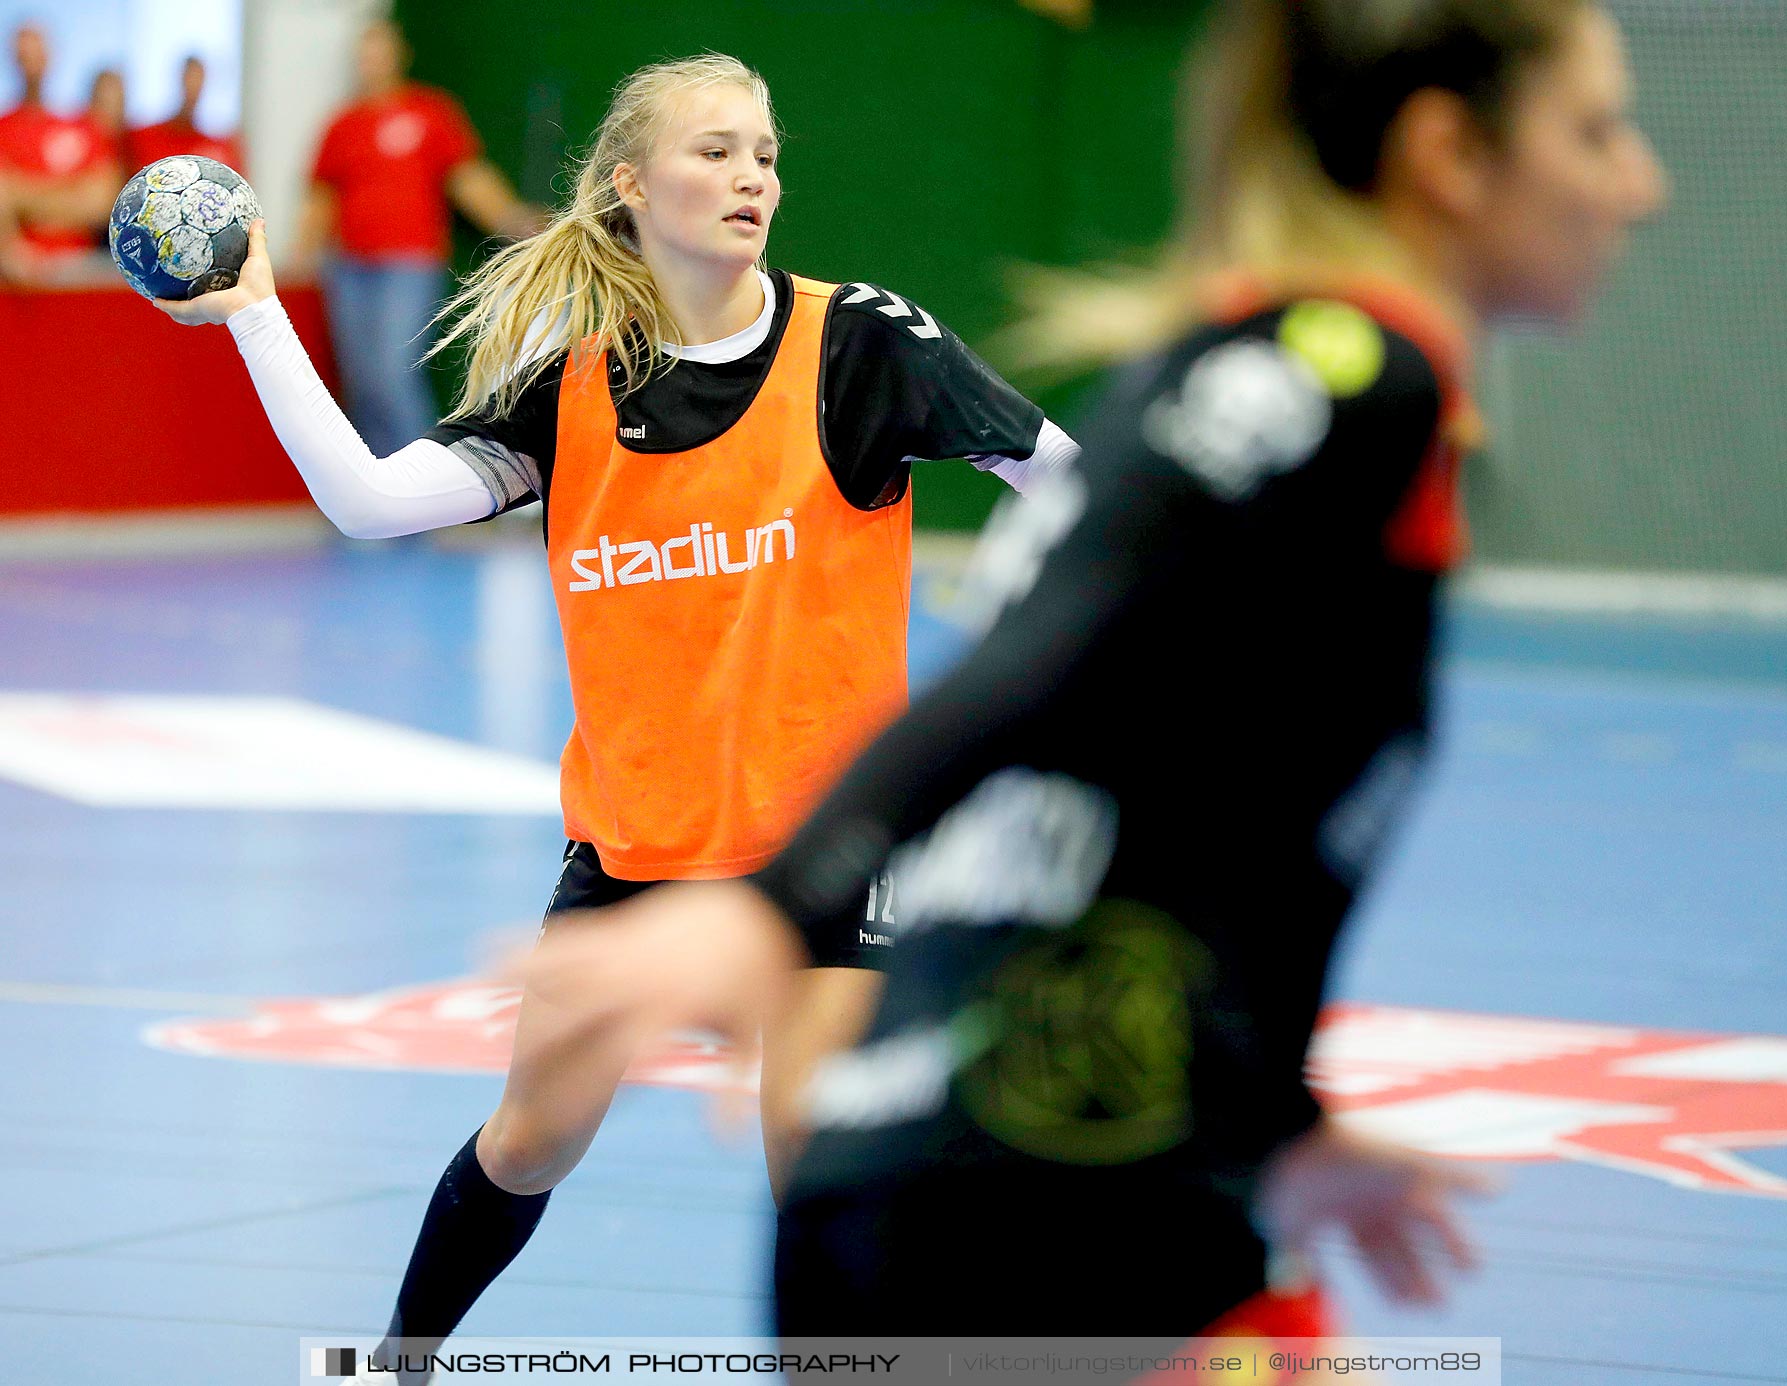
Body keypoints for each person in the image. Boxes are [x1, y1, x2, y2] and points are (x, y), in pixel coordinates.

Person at [511, 0, 1667, 1341]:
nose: (1640, 184)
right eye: (1594, 131)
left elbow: (1188, 821)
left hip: (1085, 1153)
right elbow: (1033, 662)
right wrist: (769, 906)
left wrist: (1278, 1117)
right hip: (1024, 1192)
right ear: (1447, 155)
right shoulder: (1337, 382)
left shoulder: (1283, 380)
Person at [151, 51, 1079, 1383]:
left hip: (830, 850)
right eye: (717, 150)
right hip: (639, 846)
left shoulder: (863, 342)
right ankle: (400, 1364)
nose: (754, 174)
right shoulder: (573, 384)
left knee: (809, 1160)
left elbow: (1073, 485)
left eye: (765, 152)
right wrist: (252, 311)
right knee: (528, 1140)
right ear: (634, 185)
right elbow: (364, 501)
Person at [294, 19, 542, 456]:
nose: (372, 62)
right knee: (362, 382)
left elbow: (467, 178)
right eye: (364, 53)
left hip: (409, 266)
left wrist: (512, 218)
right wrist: (302, 257)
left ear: (398, 55)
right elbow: (321, 199)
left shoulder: (430, 112)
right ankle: (372, 496)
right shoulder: (341, 124)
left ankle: (421, 489)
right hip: (349, 270)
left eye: (380, 51)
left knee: (392, 374)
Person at [0, 24, 120, 281]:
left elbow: (101, 201)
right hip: (20, 274)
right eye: (24, 57)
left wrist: (22, 197)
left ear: (50, 56)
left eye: (37, 55)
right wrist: (67, 191)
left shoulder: (81, 126)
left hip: (83, 271)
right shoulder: (4, 127)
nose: (31, 66)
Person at [128, 55, 244, 171]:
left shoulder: (219, 149)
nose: (192, 88)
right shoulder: (142, 138)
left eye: (198, 80)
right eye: (189, 79)